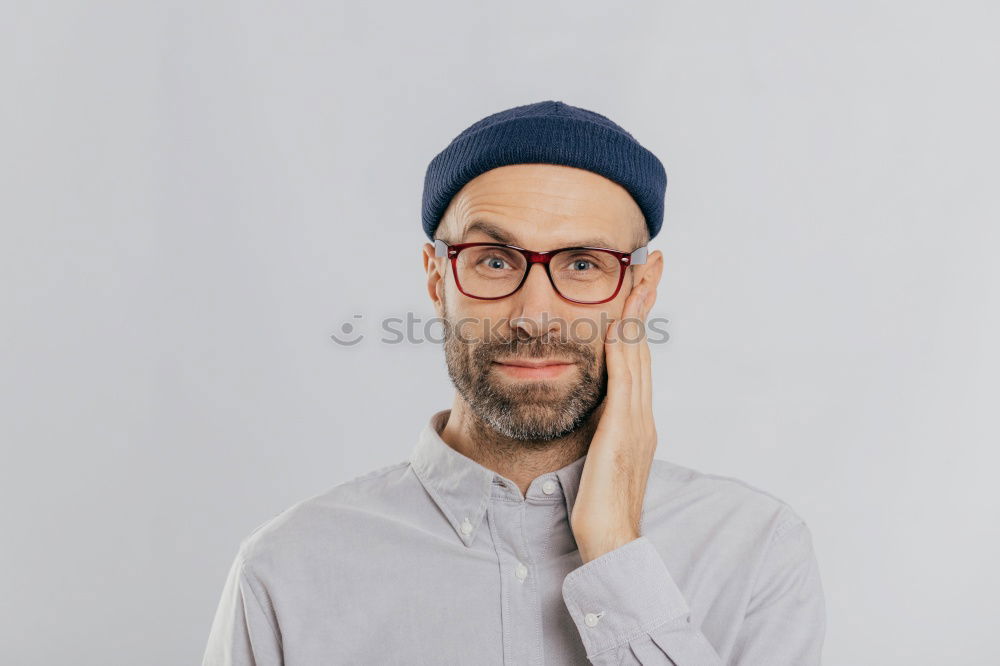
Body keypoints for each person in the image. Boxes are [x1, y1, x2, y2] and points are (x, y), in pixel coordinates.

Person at [202, 100, 826, 665]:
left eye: (583, 265)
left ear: (642, 288)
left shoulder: (757, 552)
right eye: (494, 261)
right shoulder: (286, 571)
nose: (534, 317)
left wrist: (614, 552)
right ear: (436, 278)